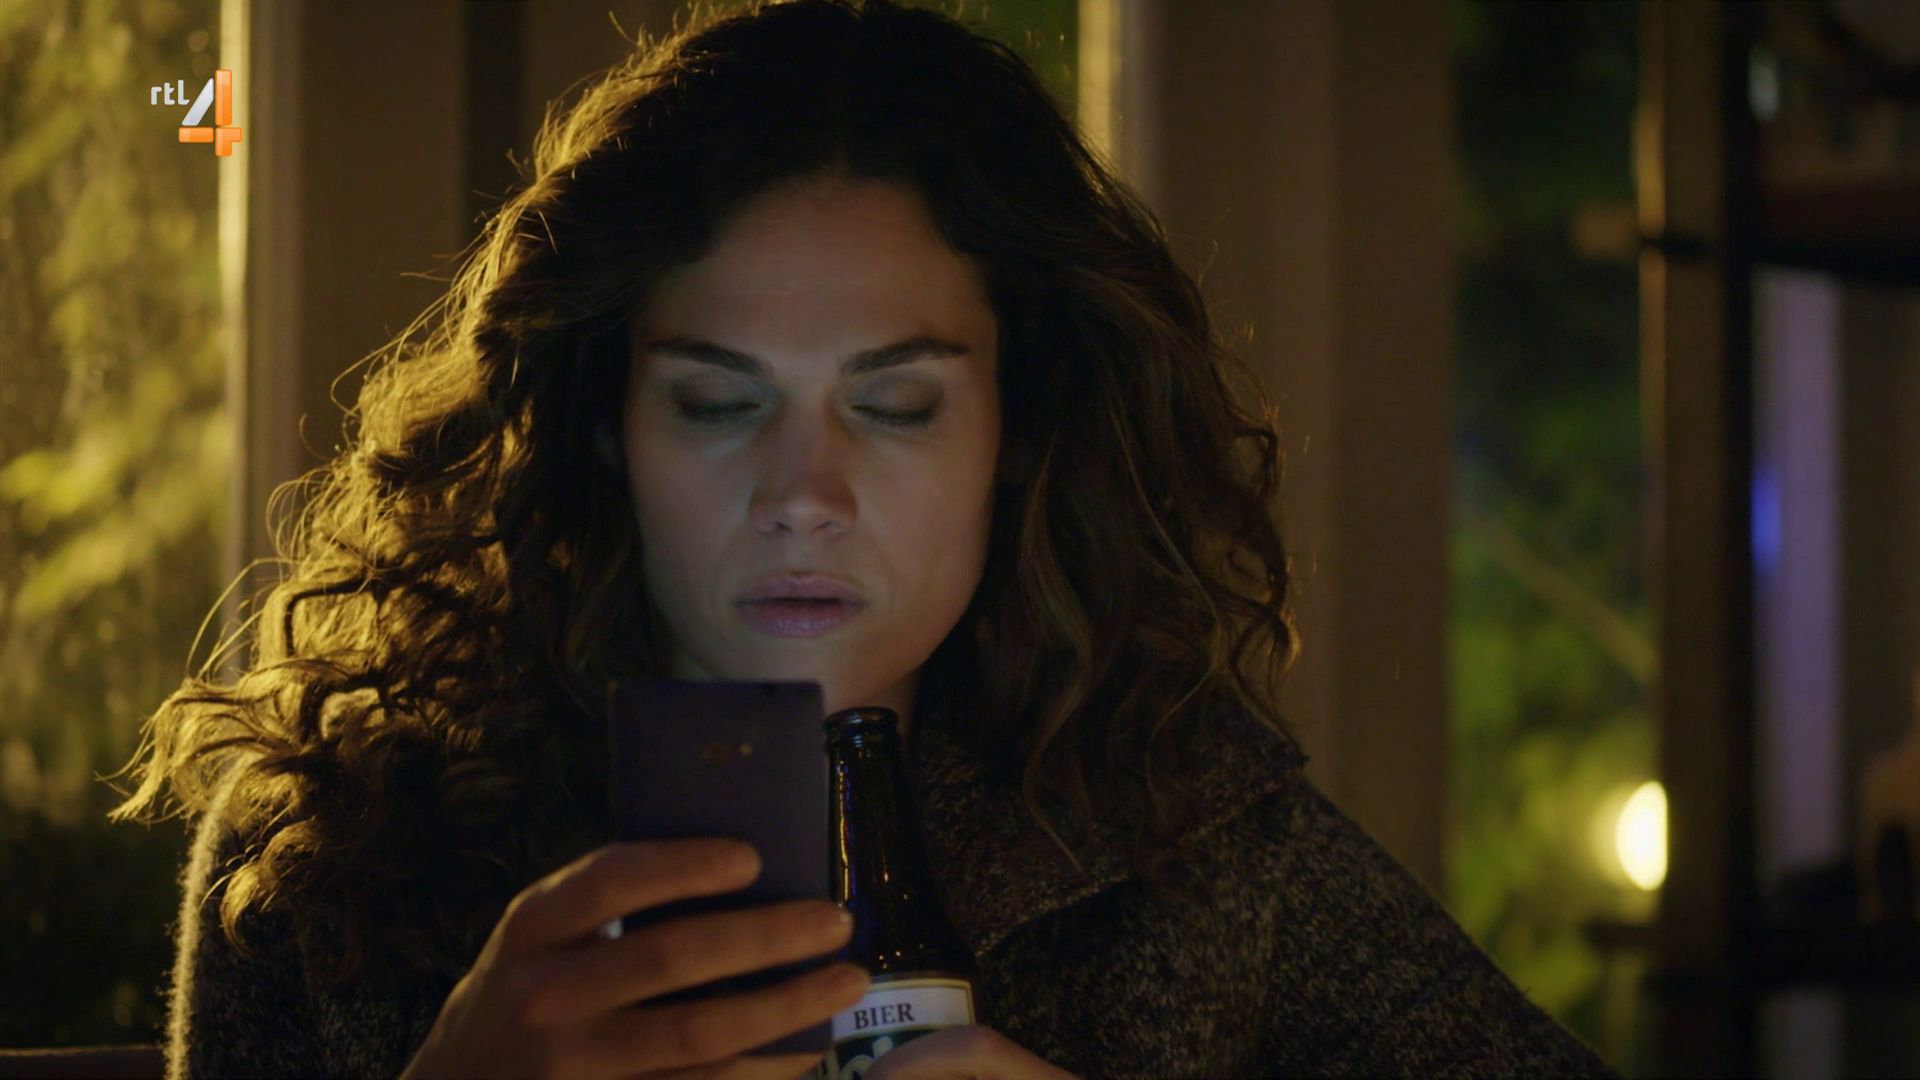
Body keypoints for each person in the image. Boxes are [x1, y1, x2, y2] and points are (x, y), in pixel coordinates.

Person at [107, 1, 1620, 1076]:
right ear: (603, 425)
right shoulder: (344, 850)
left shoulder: (1185, 829)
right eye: (719, 404)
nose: (805, 493)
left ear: (1017, 432)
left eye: (895, 407)